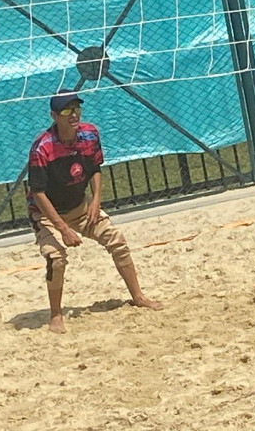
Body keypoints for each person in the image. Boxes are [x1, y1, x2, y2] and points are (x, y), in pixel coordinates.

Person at [27, 89, 162, 333]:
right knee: (56, 259)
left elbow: (95, 168)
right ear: (54, 115)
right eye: (67, 110)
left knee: (117, 241)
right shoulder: (42, 148)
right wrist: (62, 228)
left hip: (81, 208)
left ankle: (138, 297)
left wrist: (96, 199)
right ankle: (56, 315)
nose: (74, 114)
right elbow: (38, 193)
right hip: (48, 216)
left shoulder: (89, 134)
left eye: (76, 108)